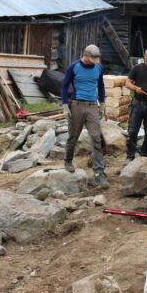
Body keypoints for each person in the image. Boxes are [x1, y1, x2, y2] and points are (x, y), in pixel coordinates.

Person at [61, 44, 109, 189]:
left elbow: (100, 86)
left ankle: (99, 173)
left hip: (92, 106)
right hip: (76, 105)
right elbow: (64, 86)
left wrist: (102, 103)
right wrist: (64, 105)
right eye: (93, 58)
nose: (95, 61)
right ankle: (68, 160)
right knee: (73, 136)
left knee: (96, 138)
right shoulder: (74, 67)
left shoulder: (98, 68)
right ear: (86, 55)